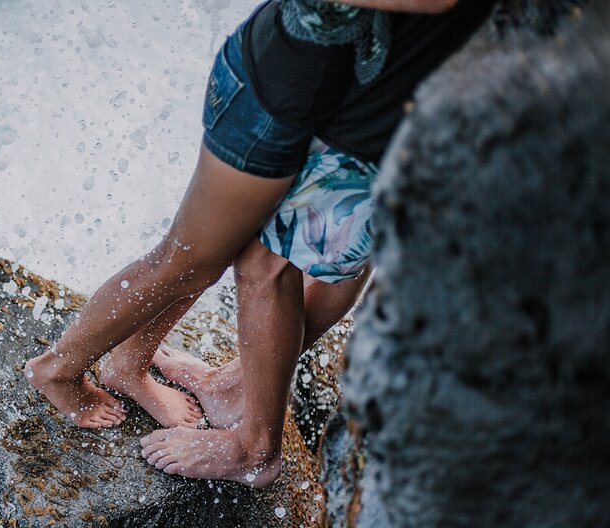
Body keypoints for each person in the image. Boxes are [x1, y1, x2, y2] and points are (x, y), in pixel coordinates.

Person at [27, 0, 497, 487]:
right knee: (205, 254)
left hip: (366, 104)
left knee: (292, 259)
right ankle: (66, 369)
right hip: (301, 92)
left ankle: (212, 393)